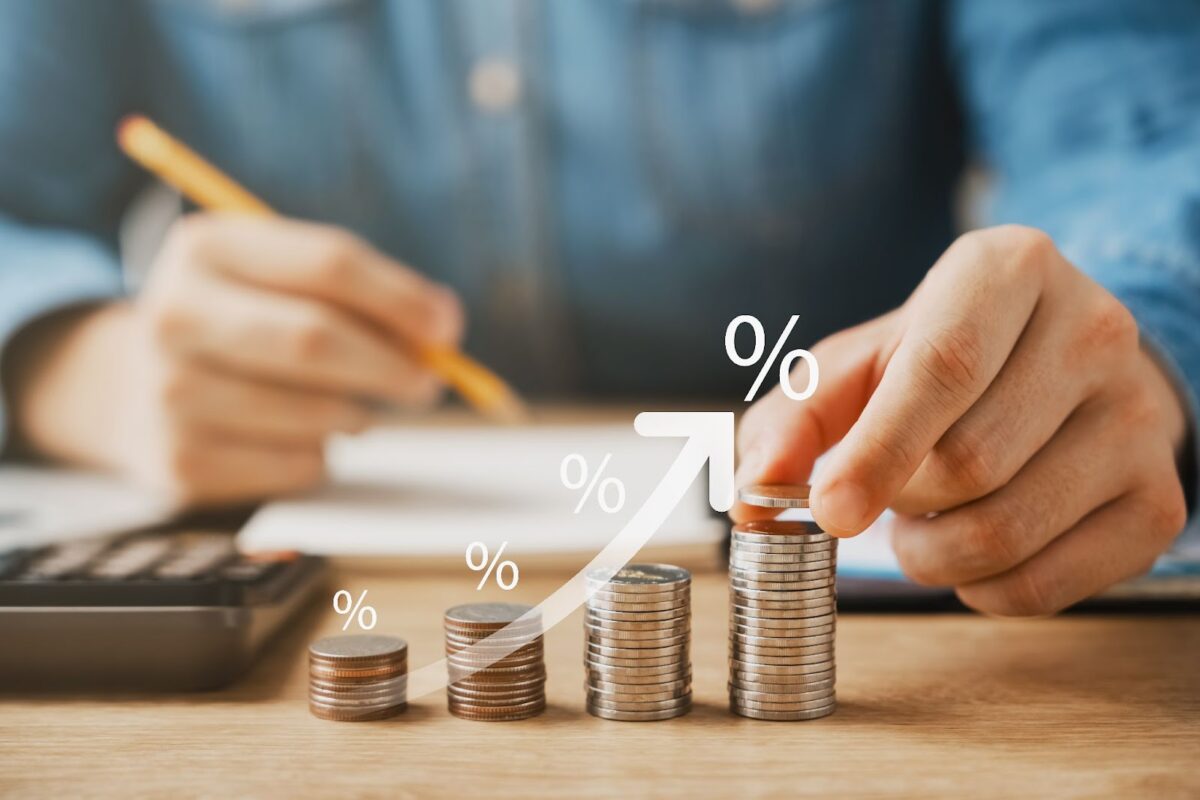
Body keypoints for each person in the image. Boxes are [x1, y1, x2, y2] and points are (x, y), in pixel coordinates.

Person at [0, 0, 1197, 616]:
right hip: (289, 572)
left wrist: (1122, 332)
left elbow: (1136, 117)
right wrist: (65, 353)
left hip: (879, 560)